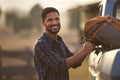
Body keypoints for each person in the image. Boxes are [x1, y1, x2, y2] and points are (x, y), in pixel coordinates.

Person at [34, 7, 94, 80]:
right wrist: (85, 51)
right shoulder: (41, 44)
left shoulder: (59, 40)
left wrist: (87, 48)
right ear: (43, 23)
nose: (55, 22)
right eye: (50, 20)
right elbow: (60, 66)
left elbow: (76, 63)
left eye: (57, 19)